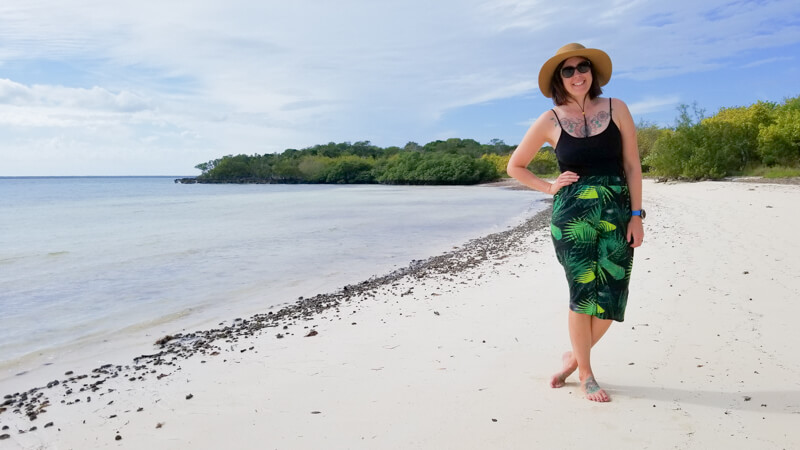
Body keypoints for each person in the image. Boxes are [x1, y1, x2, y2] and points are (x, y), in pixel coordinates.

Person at [507, 43, 644, 402]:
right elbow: (515, 165)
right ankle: (586, 373)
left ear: (592, 72)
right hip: (571, 216)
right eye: (567, 70)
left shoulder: (617, 109)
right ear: (559, 78)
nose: (577, 74)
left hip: (617, 212)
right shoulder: (550, 119)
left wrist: (636, 216)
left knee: (612, 297)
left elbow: (631, 166)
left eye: (582, 67)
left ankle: (572, 360)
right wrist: (549, 186)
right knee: (583, 295)